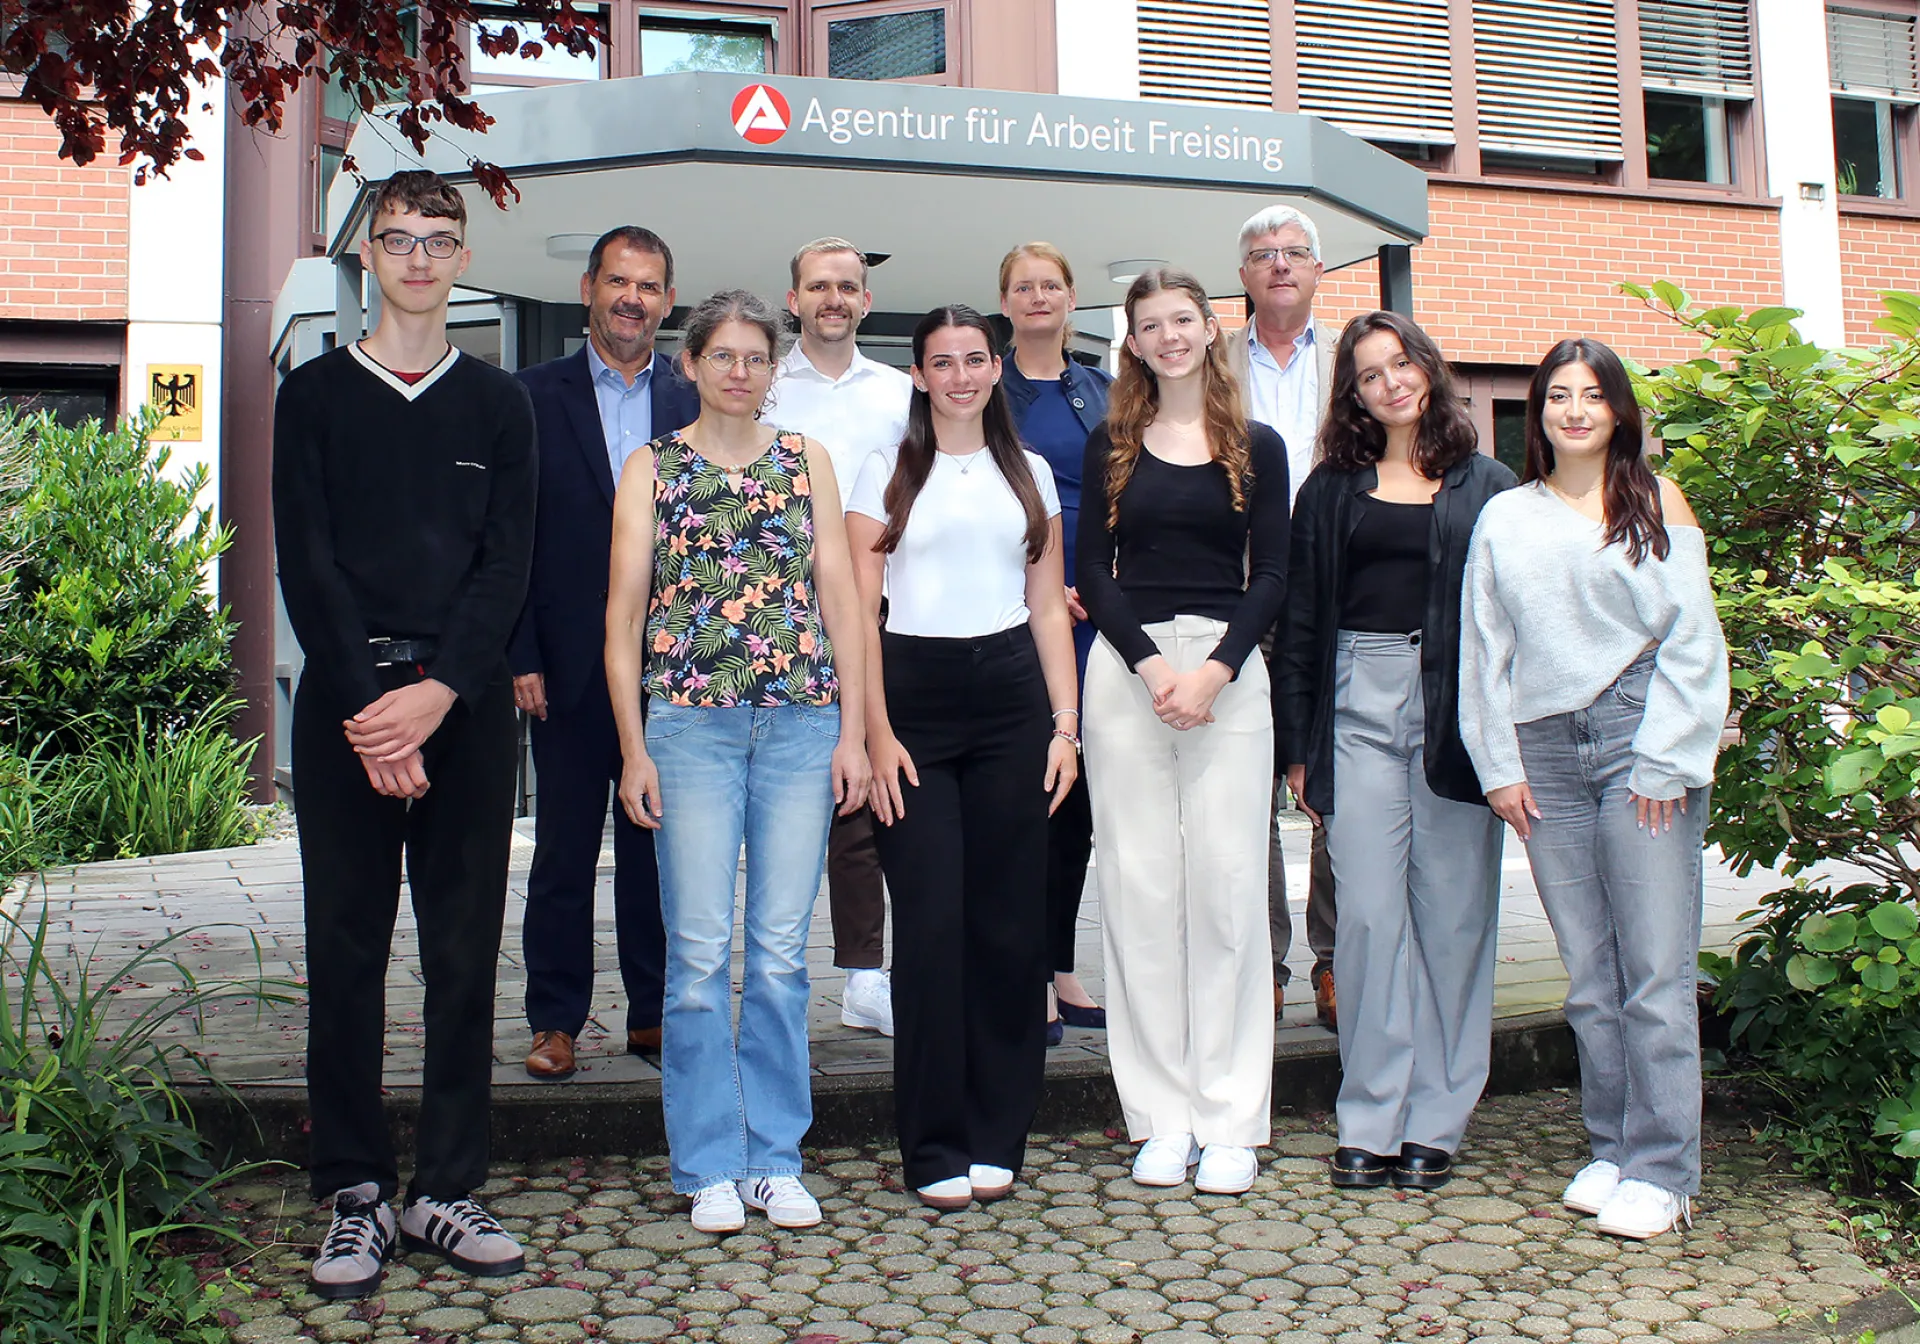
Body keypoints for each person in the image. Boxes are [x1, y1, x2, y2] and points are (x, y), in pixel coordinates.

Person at [274, 170, 534, 1298]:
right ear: (367, 256)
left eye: (439, 238)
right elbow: (306, 560)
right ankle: (356, 1189)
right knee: (344, 950)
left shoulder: (498, 404)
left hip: (463, 715)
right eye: (398, 239)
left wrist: (439, 696)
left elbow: (506, 566)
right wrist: (371, 716)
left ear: (463, 255)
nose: (420, 257)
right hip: (346, 704)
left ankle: (447, 1186)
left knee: (465, 954)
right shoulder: (316, 395)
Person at [604, 290, 871, 1235]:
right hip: (690, 731)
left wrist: (854, 732)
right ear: (692, 364)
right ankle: (708, 1163)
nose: (740, 371)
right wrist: (633, 745)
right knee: (698, 957)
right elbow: (623, 617)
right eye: (722, 354)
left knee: (780, 955)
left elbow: (840, 598)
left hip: (801, 728)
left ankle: (774, 1158)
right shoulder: (653, 468)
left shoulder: (808, 463)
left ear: (773, 369)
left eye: (757, 357)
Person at [1460, 338, 1729, 1240]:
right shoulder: (1506, 516)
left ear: (1618, 409)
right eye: (1557, 396)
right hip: (1544, 756)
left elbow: (1694, 641)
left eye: (1592, 395)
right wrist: (1497, 764)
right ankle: (1613, 1146)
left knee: (1654, 971)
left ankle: (1666, 1170)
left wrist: (1667, 758)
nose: (1575, 410)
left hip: (1637, 738)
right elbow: (1483, 648)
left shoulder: (1654, 499)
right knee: (1589, 975)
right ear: (1536, 413)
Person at [845, 305, 1080, 1210]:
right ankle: (934, 1141)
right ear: (919, 374)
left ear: (994, 367)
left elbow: (1050, 605)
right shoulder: (887, 467)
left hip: (1013, 698)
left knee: (1010, 928)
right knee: (934, 929)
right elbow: (860, 612)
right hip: (914, 700)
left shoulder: (1032, 471)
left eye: (974, 359)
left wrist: (1065, 727)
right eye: (941, 362)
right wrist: (874, 730)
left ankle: (997, 1131)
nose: (960, 375)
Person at [1276, 310, 1515, 1194]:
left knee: (1453, 919)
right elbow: (1301, 619)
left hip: (1456, 706)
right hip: (1356, 701)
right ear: (1356, 394)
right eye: (1370, 373)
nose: (1391, 382)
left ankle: (1439, 1117)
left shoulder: (1487, 481)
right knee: (1371, 917)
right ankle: (1371, 1114)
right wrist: (1299, 747)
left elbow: (1510, 618)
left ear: (1428, 368)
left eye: (1401, 363)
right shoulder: (1330, 489)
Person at [1077, 267, 1288, 1196]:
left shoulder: (1259, 445)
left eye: (1182, 320)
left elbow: (1273, 575)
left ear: (1211, 330)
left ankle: (1232, 1117)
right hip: (1129, 673)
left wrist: (1213, 670)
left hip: (1229, 675)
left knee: (1230, 893)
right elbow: (1093, 568)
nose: (1168, 336)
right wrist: (1155, 668)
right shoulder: (1110, 444)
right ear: (1132, 341)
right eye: (1150, 324)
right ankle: (1161, 1118)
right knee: (1139, 892)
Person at [512, 226, 699, 1081]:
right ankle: (556, 1020)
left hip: (673, 669)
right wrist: (520, 652)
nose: (632, 298)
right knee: (562, 849)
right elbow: (509, 539)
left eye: (649, 285)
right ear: (589, 287)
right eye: (618, 281)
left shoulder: (694, 400)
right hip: (567, 664)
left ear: (667, 299)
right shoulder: (531, 397)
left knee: (655, 846)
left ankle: (654, 1014)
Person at [762, 237, 912, 1039]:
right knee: (791, 797)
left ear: (864, 302)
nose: (833, 297)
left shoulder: (899, 392)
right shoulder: (763, 390)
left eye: (847, 287)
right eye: (818, 284)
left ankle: (866, 974)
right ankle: (771, 969)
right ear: (794, 299)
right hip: (781, 620)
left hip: (888, 612)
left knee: (874, 795)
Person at [1223, 203, 1340, 1030]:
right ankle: (1260, 964)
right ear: (1244, 275)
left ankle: (1336, 962)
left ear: (1318, 270)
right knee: (1245, 783)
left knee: (1337, 778)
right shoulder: (1209, 358)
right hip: (1239, 584)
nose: (1279, 264)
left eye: (1295, 252)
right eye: (1263, 255)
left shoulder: (1360, 358)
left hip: (1337, 582)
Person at [996, 241, 1113, 1042]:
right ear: (1005, 302)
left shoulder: (1104, 391)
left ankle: (1062, 965)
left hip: (1103, 615)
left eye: (1051, 286)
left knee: (1082, 810)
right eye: (1023, 287)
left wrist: (1100, 581)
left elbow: (1126, 494)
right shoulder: (982, 387)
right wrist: (1042, 583)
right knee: (1029, 799)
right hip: (1024, 611)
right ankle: (1024, 974)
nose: (1038, 297)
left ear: (1072, 300)